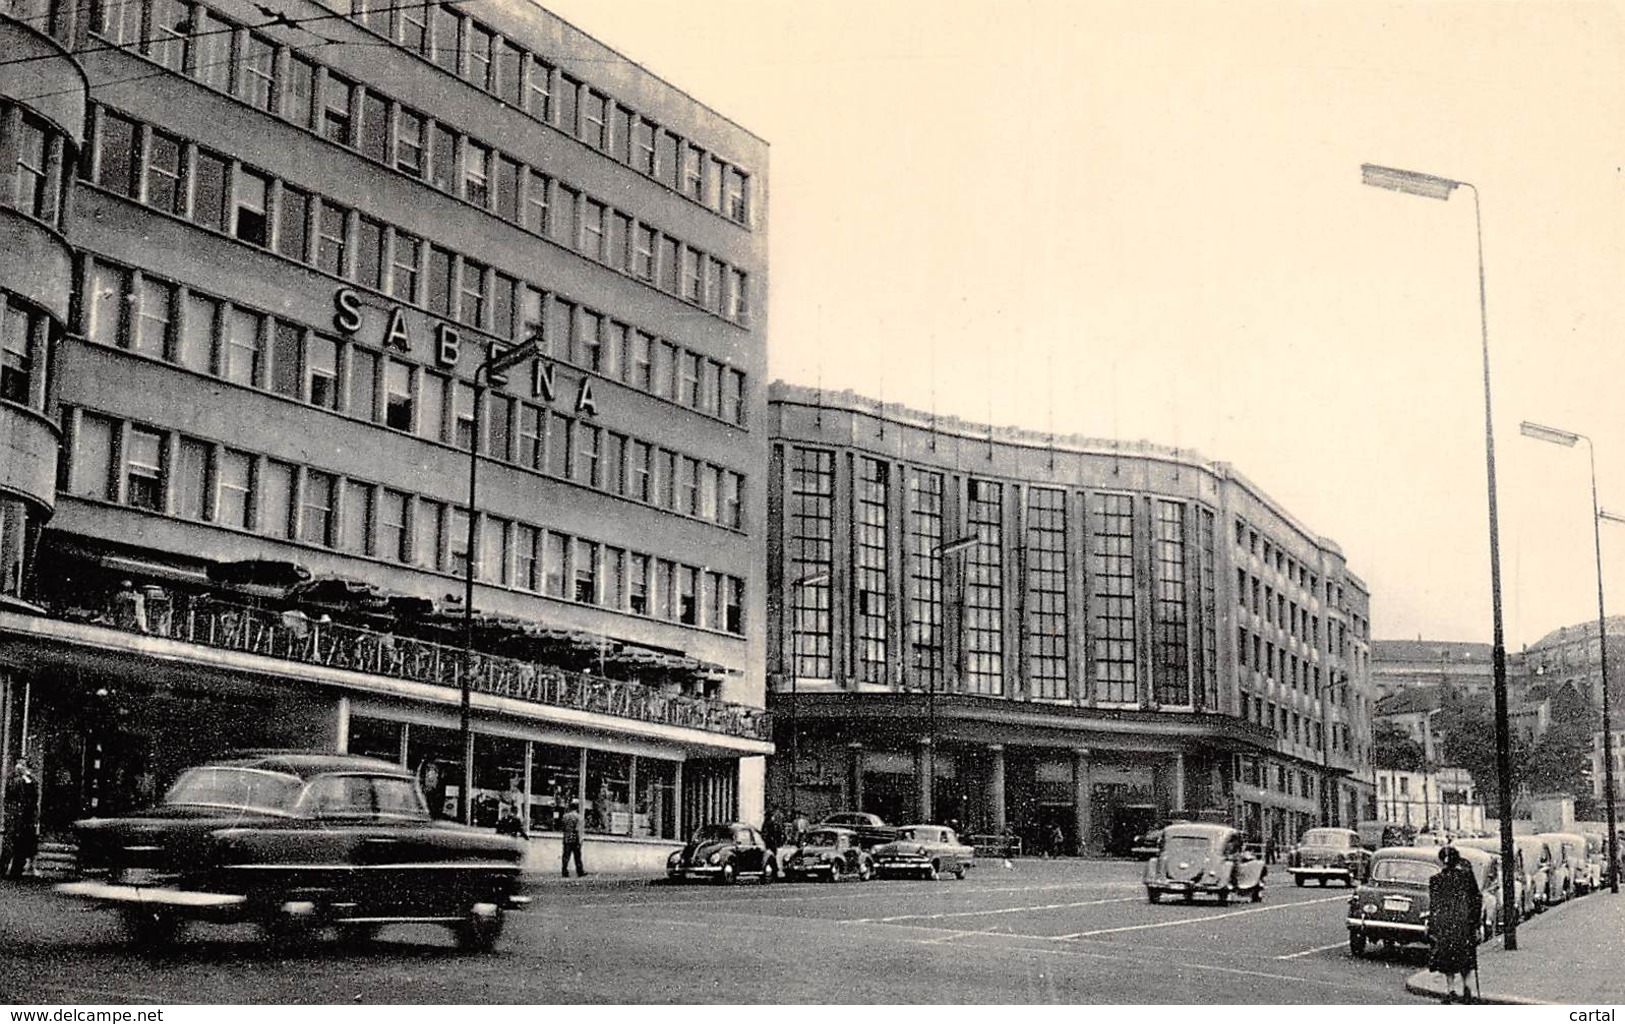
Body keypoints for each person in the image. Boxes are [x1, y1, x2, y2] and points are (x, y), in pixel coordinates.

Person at [1427, 845, 1482, 1004]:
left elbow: (1434, 905)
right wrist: (1476, 923)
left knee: (1448, 959)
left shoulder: (1435, 880)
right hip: (1465, 924)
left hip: (1446, 925)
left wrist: (1433, 926)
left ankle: (1451, 990)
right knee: (1466, 957)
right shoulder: (1466, 878)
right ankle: (1467, 989)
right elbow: (1476, 900)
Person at [4, 760, 40, 880]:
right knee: (9, 844)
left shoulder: (32, 780)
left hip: (27, 817)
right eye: (18, 764)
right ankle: (3, 868)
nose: (19, 767)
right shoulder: (13, 779)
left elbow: (34, 796)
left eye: (23, 765)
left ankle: (17, 870)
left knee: (23, 845)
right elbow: (12, 790)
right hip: (14, 816)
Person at [560, 798, 586, 878]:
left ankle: (564, 871)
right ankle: (580, 871)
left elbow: (563, 827)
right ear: (576, 808)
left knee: (566, 856)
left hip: (566, 838)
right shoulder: (578, 817)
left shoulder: (565, 816)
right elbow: (578, 829)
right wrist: (580, 840)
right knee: (577, 856)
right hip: (575, 839)